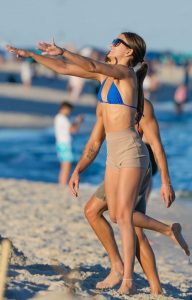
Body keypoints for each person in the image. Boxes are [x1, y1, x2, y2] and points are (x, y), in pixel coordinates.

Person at [4, 32, 184, 294]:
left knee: (124, 219)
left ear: (129, 53)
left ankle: (128, 282)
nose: (112, 44)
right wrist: (32, 55)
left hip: (132, 153)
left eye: (118, 42)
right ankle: (161, 241)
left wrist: (64, 50)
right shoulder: (106, 78)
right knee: (114, 216)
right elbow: (67, 69)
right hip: (114, 154)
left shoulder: (127, 75)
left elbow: (89, 64)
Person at [69, 98, 190, 295]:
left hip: (135, 167)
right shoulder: (104, 104)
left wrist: (166, 182)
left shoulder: (142, 105)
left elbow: (156, 145)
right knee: (115, 220)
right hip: (117, 169)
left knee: (121, 222)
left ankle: (161, 237)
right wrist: (78, 169)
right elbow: (94, 143)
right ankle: (153, 286)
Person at [54, 101, 83, 185]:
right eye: (69, 110)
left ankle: (62, 183)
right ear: (64, 109)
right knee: (66, 166)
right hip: (64, 144)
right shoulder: (62, 118)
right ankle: (63, 183)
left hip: (60, 144)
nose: (69, 112)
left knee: (64, 166)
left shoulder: (58, 118)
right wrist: (78, 121)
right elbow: (73, 130)